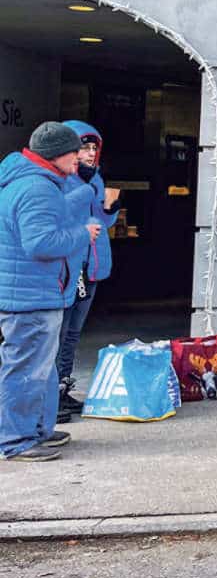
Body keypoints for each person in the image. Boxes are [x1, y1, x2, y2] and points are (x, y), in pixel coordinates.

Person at [1, 122, 98, 462]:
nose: (80, 160)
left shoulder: (35, 182)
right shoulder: (36, 188)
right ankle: (16, 441)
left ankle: (38, 431)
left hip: (33, 293)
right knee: (26, 370)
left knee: (40, 370)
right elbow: (40, 243)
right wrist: (83, 234)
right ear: (59, 154)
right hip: (29, 297)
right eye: (75, 153)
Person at [55, 122, 119, 422]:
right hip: (70, 264)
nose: (91, 153)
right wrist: (88, 186)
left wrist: (111, 205)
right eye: (84, 147)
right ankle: (50, 396)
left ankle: (61, 389)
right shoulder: (59, 179)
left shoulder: (93, 178)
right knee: (60, 332)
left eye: (94, 148)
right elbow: (62, 214)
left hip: (91, 263)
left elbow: (101, 221)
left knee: (73, 333)